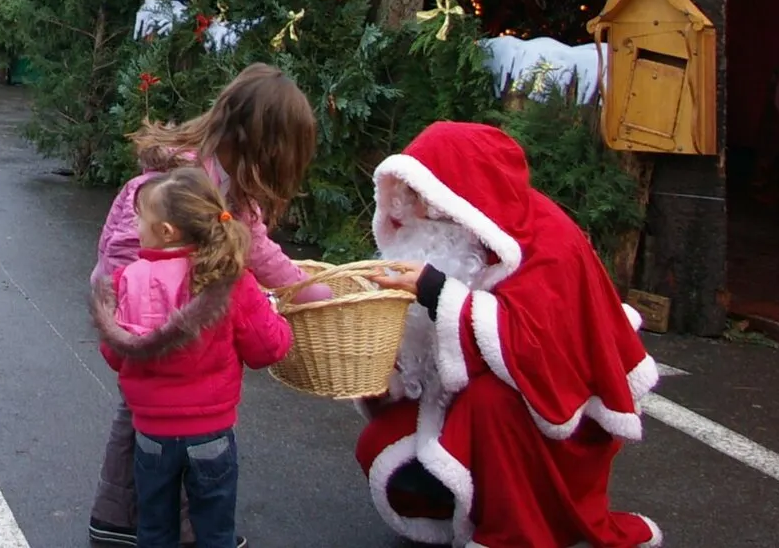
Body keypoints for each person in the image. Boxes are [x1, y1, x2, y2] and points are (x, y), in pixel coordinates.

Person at [358, 122, 662, 548]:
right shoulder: (467, 230)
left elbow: (538, 355)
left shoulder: (550, 245)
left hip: (554, 427)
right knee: (382, 441)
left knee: (488, 404)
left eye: (423, 196)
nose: (414, 210)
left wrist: (435, 290)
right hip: (475, 396)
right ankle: (464, 508)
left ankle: (516, 532)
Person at [89, 65, 325, 546]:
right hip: (150, 306)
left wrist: (124, 334)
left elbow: (251, 245)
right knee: (178, 410)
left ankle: (120, 516)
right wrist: (304, 288)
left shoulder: (206, 171)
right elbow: (254, 263)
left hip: (136, 307)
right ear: (263, 142)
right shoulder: (200, 184)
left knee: (145, 410)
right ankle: (187, 528)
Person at [92, 167, 293, 548]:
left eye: (141, 219)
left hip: (150, 433)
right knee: (215, 529)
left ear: (166, 231)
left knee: (154, 528)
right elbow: (268, 349)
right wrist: (280, 322)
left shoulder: (127, 280)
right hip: (211, 433)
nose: (135, 224)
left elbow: (114, 354)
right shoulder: (230, 281)